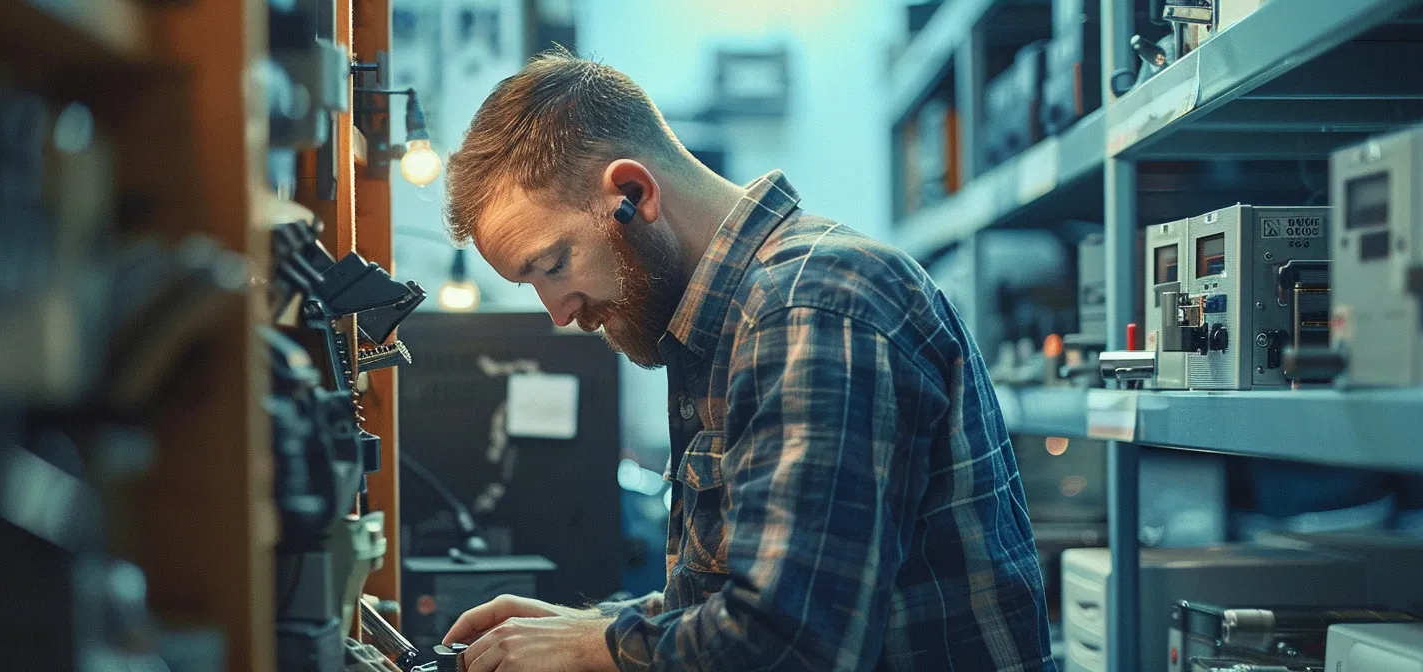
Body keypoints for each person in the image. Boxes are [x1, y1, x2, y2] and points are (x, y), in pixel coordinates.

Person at [437, 47, 1054, 672]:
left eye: (552, 265)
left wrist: (594, 649)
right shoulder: (730, 321)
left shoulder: (810, 304)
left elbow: (789, 642)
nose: (558, 314)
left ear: (633, 191)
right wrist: (591, 628)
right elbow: (733, 595)